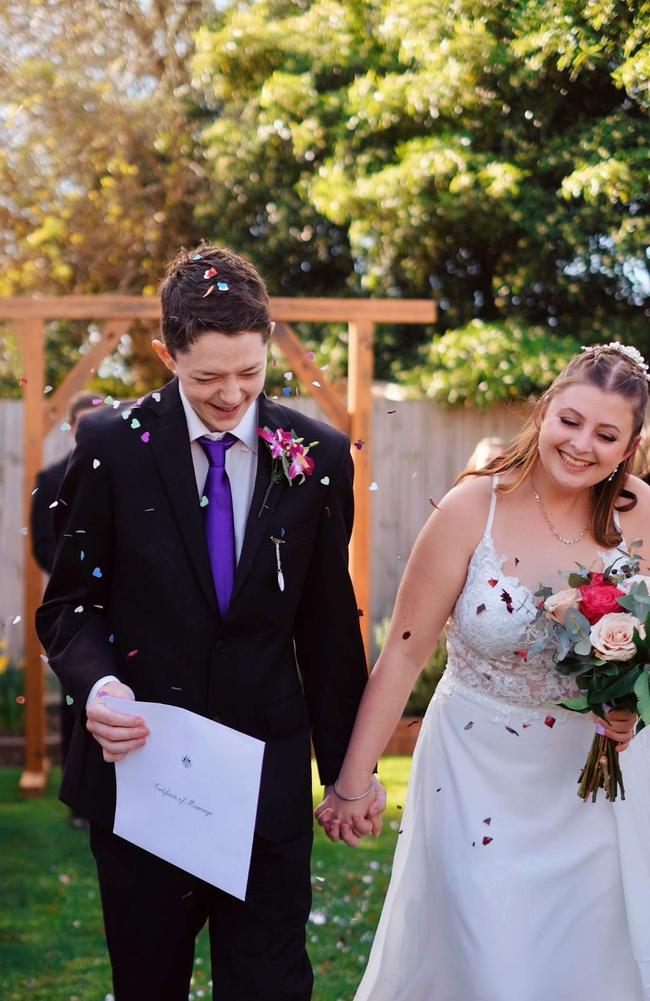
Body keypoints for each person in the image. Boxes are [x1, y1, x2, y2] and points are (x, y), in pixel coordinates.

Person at [36, 245, 384, 1001]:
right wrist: (97, 687)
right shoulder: (107, 448)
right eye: (207, 377)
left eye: (249, 373)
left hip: (266, 779)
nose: (231, 395)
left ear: (266, 344)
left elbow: (327, 628)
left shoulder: (318, 456)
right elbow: (69, 605)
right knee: (149, 983)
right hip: (143, 778)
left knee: (270, 984)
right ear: (167, 354)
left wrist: (350, 775)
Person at [316, 343, 650, 1000]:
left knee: (590, 964)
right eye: (571, 420)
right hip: (475, 776)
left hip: (596, 786)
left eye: (606, 434)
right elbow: (404, 652)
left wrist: (633, 701)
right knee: (487, 956)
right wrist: (353, 783)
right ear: (544, 410)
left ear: (631, 445)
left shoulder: (642, 511)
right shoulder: (473, 507)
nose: (582, 444)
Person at [31, 390, 96, 828]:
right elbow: (42, 543)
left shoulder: (124, 469)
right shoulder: (51, 478)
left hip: (121, 605)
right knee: (76, 699)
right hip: (72, 608)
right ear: (72, 427)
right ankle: (78, 802)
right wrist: (77, 579)